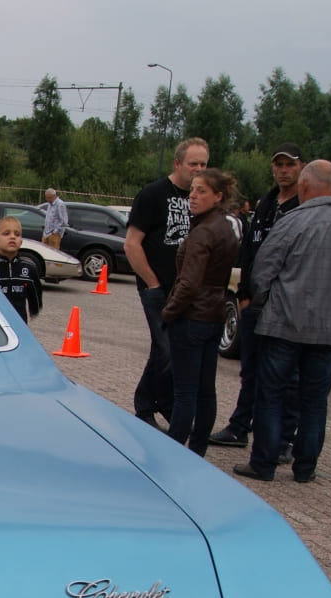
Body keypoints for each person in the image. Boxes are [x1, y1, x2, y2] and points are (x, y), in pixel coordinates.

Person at [234, 160, 331, 484]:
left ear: (305, 187)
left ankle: (264, 462)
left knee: (271, 393)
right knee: (315, 399)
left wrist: (263, 304)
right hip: (328, 331)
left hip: (284, 324)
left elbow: (263, 270)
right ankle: (305, 467)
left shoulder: (292, 221)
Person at [208, 143, 305, 459]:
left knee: (286, 376)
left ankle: (285, 439)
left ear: (301, 167)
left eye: (289, 165)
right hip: (255, 304)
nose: (283, 170)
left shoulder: (304, 206)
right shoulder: (266, 204)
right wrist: (245, 296)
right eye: (278, 165)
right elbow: (249, 251)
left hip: (286, 307)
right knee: (250, 370)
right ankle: (239, 426)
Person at [125, 137, 210, 428]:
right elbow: (132, 244)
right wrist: (152, 284)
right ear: (177, 164)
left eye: (203, 165)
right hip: (157, 287)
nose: (197, 170)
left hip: (186, 291)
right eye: (192, 164)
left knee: (168, 349)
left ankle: (150, 403)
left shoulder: (201, 199)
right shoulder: (153, 194)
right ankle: (156, 404)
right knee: (166, 349)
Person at [160, 168, 242, 455]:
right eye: (192, 190)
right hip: (214, 316)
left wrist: (168, 313)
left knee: (185, 392)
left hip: (193, 317)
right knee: (206, 390)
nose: (193, 196)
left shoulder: (204, 232)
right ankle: (197, 449)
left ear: (218, 196)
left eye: (201, 191)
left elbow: (189, 284)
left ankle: (174, 453)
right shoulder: (226, 226)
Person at [0, 216, 43, 323]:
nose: (12, 237)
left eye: (17, 234)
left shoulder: (29, 268)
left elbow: (36, 301)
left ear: (21, 242)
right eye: (6, 233)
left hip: (19, 327)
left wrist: (34, 311)